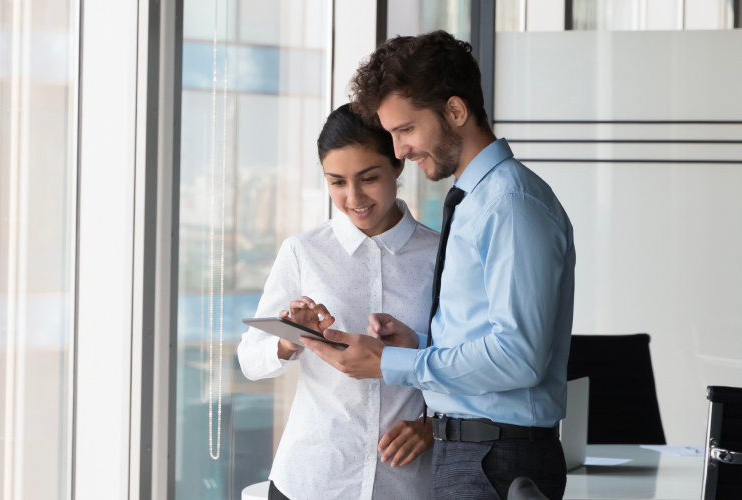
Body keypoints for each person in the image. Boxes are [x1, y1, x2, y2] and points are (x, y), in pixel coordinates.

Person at [289, 31, 577, 500]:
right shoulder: (478, 201)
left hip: (495, 460)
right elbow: (492, 339)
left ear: (456, 112)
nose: (399, 150)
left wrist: (393, 362)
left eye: (406, 130)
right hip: (476, 455)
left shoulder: (509, 204)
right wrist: (420, 343)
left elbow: (519, 357)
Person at [237, 103, 440, 500]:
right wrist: (291, 339)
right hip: (312, 479)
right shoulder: (303, 252)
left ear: (398, 166)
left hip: (404, 485)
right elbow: (250, 360)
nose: (354, 197)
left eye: (368, 178)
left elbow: (464, 358)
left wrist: (433, 426)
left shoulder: (440, 255)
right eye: (337, 182)